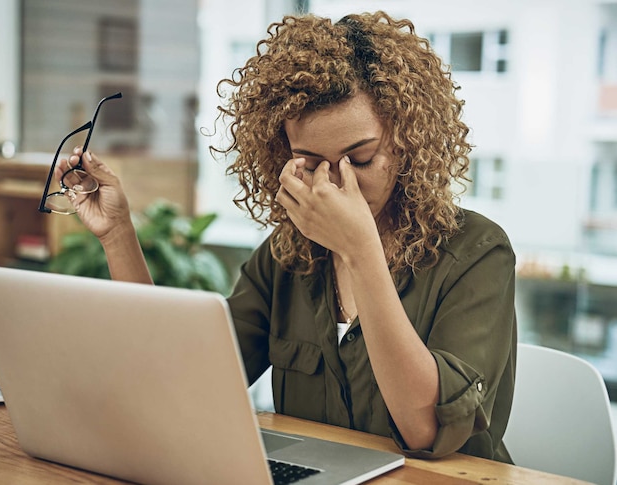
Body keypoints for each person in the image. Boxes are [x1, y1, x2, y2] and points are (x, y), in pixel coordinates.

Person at [52, 11, 516, 462]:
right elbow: (177, 383)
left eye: (361, 159)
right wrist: (118, 235)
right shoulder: (289, 255)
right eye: (310, 164)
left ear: (406, 139)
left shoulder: (477, 253)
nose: (335, 184)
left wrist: (360, 252)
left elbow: (425, 431)